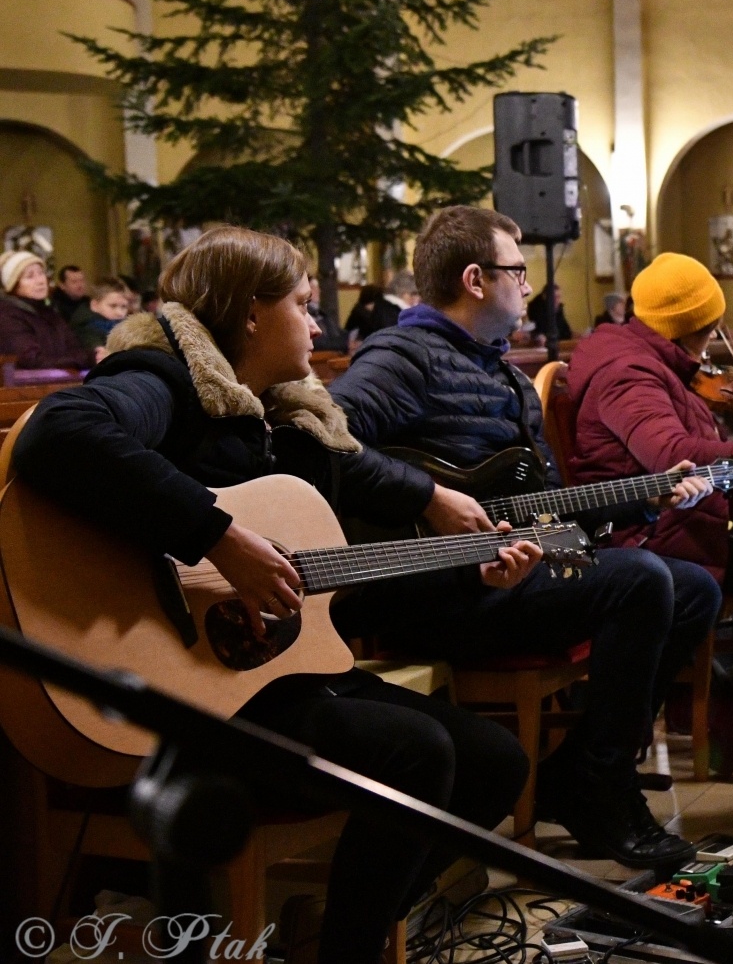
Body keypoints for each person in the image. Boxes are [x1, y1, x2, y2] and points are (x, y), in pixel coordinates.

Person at [10, 227, 534, 964]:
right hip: (186, 693)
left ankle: (343, 925)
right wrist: (217, 535)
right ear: (252, 314)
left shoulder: (285, 411)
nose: (319, 326)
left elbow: (350, 492)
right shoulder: (165, 379)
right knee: (417, 751)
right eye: (304, 305)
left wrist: (462, 539)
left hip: (271, 676)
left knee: (495, 759)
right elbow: (58, 434)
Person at [329, 206, 720, 868]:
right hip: (433, 586)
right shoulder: (405, 356)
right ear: (476, 279)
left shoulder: (505, 375)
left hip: (505, 570)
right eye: (518, 271)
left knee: (692, 588)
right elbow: (326, 436)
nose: (528, 287)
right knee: (642, 580)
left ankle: (585, 772)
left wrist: (638, 498)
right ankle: (601, 789)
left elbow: (536, 508)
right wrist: (428, 497)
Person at [567, 252, 733, 784]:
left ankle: (725, 709)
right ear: (690, 326)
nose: (713, 341)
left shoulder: (648, 356)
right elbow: (676, 460)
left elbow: (699, 467)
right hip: (641, 533)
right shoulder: (628, 373)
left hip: (677, 518)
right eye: (710, 327)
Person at [0, 252, 95, 369]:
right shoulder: (7, 316)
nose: (40, 281)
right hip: (29, 386)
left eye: (41, 273)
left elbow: (75, 348)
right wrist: (89, 359)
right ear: (14, 285)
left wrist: (93, 356)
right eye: (30, 276)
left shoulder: (49, 312)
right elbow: (32, 360)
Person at [69, 277, 132, 351]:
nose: (119, 313)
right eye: (113, 306)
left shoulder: (125, 328)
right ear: (94, 305)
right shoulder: (84, 329)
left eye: (123, 307)